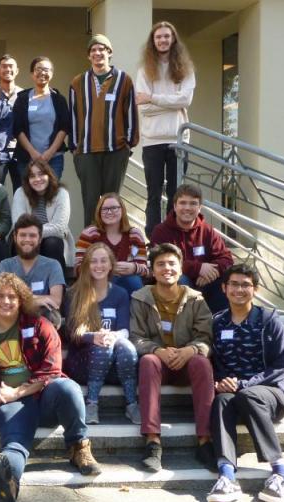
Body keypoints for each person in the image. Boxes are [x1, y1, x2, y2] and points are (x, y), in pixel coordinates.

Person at [0, 273, 100, 502]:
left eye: (12, 296)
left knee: (68, 387)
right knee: (15, 446)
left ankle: (79, 446)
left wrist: (17, 391)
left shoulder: (40, 325)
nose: (6, 301)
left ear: (21, 300)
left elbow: (52, 369)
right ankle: (8, 484)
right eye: (0, 296)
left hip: (44, 397)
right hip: (10, 401)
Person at [206, 264, 284, 502]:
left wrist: (243, 383)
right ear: (224, 288)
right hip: (235, 391)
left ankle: (281, 472)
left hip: (270, 392)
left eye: (245, 285)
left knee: (249, 395)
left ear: (255, 289)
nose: (239, 290)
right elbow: (214, 361)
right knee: (220, 401)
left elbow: (281, 367)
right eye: (234, 284)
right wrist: (220, 382)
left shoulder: (269, 320)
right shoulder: (217, 323)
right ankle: (227, 475)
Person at [131, 243, 215, 473]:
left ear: (180, 269)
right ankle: (152, 441)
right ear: (152, 270)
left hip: (186, 363)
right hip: (159, 364)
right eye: (160, 264)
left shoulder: (196, 299)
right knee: (148, 361)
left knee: (202, 361)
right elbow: (136, 337)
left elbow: (206, 338)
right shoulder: (140, 298)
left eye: (171, 263)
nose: (166, 268)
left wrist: (190, 350)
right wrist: (157, 351)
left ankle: (205, 440)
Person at [65, 243, 140, 425]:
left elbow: (124, 330)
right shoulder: (74, 293)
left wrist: (113, 336)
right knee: (102, 347)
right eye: (93, 261)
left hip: (115, 365)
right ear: (86, 266)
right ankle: (91, 403)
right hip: (83, 363)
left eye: (103, 261)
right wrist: (94, 337)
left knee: (127, 347)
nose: (99, 266)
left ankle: (132, 404)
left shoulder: (120, 293)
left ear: (111, 264)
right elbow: (72, 333)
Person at [69, 34, 139, 228]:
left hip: (115, 149)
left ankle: (113, 246)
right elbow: (73, 115)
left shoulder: (124, 80)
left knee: (112, 203)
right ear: (88, 56)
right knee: (90, 201)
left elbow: (131, 112)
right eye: (93, 50)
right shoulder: (77, 82)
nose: (97, 53)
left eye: (102, 49)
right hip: (86, 151)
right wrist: (75, 147)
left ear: (109, 53)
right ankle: (90, 248)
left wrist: (128, 144)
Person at [136, 21, 196, 236]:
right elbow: (143, 108)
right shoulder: (144, 70)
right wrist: (172, 103)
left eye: (166, 36)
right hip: (152, 140)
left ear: (173, 39)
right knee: (153, 193)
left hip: (178, 140)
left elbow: (185, 100)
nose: (162, 40)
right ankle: (154, 238)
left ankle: (174, 237)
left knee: (176, 193)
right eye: (158, 37)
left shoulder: (185, 69)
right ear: (153, 41)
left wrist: (152, 98)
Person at [149, 184, 233, 314]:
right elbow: (162, 262)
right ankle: (185, 328)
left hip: (204, 284)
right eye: (182, 203)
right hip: (175, 284)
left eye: (193, 203)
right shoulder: (161, 231)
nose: (187, 208)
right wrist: (199, 268)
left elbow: (226, 259)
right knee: (180, 280)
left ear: (199, 208)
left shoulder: (207, 231)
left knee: (225, 281)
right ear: (175, 206)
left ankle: (219, 326)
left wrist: (211, 272)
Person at [0, 215, 66, 328]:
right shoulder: (5, 265)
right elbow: (1, 299)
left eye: (32, 235)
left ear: (40, 239)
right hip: (12, 320)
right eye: (23, 235)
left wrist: (18, 300)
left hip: (42, 322)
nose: (27, 239)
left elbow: (55, 301)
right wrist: (34, 301)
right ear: (15, 237)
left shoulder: (53, 265)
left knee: (51, 315)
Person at [75, 193, 148, 295]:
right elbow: (78, 267)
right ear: (99, 212)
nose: (109, 212)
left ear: (122, 210)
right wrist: (105, 269)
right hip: (96, 282)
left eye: (114, 208)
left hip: (127, 283)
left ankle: (136, 311)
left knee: (133, 280)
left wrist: (134, 268)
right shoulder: (90, 234)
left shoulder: (135, 235)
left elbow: (145, 269)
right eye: (104, 209)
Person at [12, 56, 70, 179]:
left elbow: (64, 127)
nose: (42, 73)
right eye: (38, 69)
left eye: (46, 69)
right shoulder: (22, 99)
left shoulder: (59, 100)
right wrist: (33, 153)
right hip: (27, 158)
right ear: (32, 74)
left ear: (52, 74)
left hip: (54, 158)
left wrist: (49, 153)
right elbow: (18, 128)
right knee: (29, 195)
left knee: (51, 195)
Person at [10, 159, 73, 269]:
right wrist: (31, 236)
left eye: (41, 174)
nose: (37, 179)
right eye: (32, 176)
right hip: (26, 238)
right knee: (19, 241)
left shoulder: (61, 193)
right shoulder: (20, 193)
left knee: (52, 243)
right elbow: (18, 225)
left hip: (51, 239)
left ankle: (55, 283)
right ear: (28, 179)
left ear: (49, 175)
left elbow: (59, 228)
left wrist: (33, 233)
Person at [0, 54, 23, 190]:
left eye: (11, 66)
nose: (7, 69)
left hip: (20, 150)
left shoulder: (25, 95)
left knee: (22, 192)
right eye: (4, 66)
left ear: (17, 70)